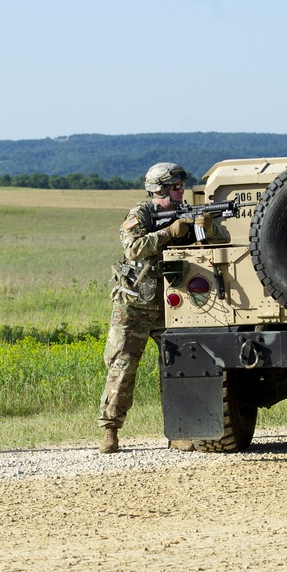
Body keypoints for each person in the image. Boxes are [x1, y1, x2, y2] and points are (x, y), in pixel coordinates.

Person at [97, 162, 229, 454]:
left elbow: (223, 240)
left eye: (181, 186)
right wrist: (170, 232)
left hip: (174, 303)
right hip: (135, 305)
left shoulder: (186, 212)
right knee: (123, 367)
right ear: (158, 189)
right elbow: (134, 248)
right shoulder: (140, 214)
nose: (181, 191)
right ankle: (110, 430)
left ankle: (180, 431)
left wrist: (207, 229)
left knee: (176, 370)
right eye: (174, 187)